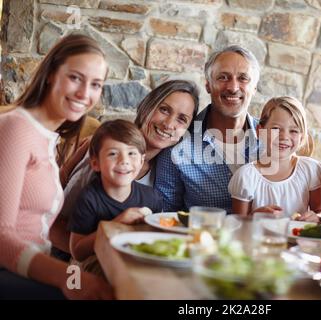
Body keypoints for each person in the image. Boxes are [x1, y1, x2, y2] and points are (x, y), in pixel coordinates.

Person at [0, 34, 113, 299]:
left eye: (96, 84)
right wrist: (72, 278)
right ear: (51, 73)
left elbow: (37, 221)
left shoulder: (47, 135)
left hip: (27, 267)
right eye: (75, 78)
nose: (85, 94)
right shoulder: (16, 128)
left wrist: (84, 262)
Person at [49, 80, 199, 258]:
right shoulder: (108, 156)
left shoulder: (166, 169)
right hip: (74, 261)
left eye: (182, 119)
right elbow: (54, 224)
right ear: (146, 107)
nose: (169, 124)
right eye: (164, 110)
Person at [155, 45, 261, 213]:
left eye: (243, 78)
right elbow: (164, 215)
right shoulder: (177, 144)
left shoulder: (276, 139)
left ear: (254, 88)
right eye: (223, 77)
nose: (233, 87)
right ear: (208, 85)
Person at [69, 120, 163, 263]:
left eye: (131, 153)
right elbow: (77, 252)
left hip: (138, 260)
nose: (124, 161)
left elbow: (158, 237)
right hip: (96, 262)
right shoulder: (89, 199)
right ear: (95, 163)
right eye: (113, 153)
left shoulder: (152, 198)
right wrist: (115, 224)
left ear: (141, 161)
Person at [228, 96, 321, 220]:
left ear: (302, 136)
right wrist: (254, 217)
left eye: (294, 131)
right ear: (259, 131)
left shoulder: (311, 170)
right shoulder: (246, 176)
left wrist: (317, 218)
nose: (284, 137)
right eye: (276, 129)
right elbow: (238, 225)